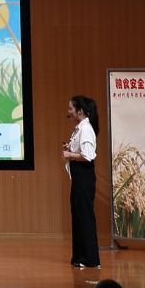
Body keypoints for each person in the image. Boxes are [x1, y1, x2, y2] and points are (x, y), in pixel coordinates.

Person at [63, 95, 101, 268]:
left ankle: (90, 258)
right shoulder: (80, 128)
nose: (68, 112)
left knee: (85, 217)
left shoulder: (85, 129)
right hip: (79, 178)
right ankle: (80, 257)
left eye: (71, 108)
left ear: (80, 111)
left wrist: (70, 154)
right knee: (79, 215)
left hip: (84, 178)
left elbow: (87, 155)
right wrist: (70, 148)